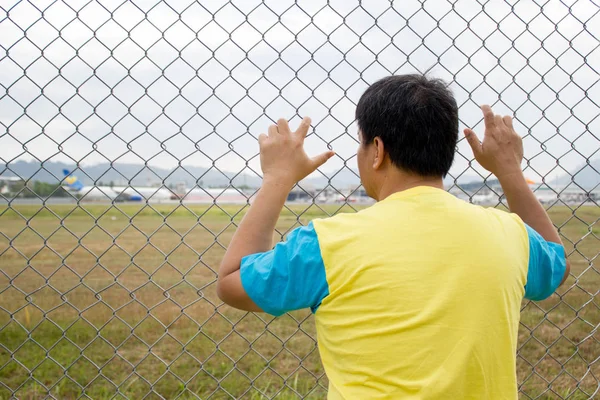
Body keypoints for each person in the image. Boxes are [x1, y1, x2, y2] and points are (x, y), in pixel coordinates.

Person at [217, 74, 570, 399]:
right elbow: (555, 263)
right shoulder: (510, 234)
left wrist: (278, 178)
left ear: (378, 151)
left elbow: (232, 281)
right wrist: (509, 169)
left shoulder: (328, 243)